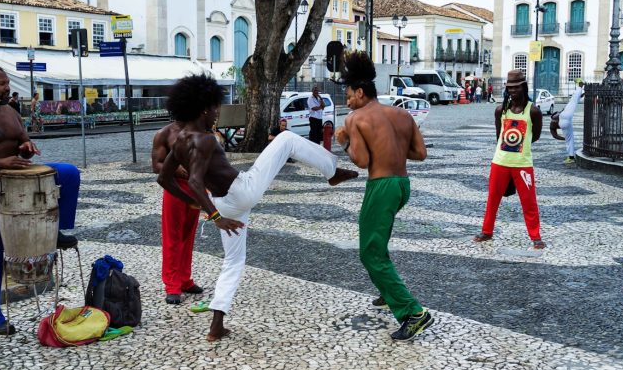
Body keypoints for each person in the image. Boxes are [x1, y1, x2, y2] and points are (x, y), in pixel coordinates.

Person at [157, 74, 358, 342]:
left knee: (233, 261)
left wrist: (196, 203)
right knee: (286, 139)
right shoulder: (204, 140)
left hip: (225, 203)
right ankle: (331, 170)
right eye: (216, 108)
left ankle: (217, 324)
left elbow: (163, 178)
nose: (217, 113)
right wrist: (214, 217)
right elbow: (193, 180)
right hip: (241, 191)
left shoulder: (181, 139)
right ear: (204, 107)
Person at [0, 66, 81, 335]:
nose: (7, 87)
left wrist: (26, 148)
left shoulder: (11, 111)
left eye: (7, 82)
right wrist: (1, 161)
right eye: (1, 83)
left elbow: (24, 146)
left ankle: (59, 230)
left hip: (19, 178)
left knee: (68, 173)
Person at [334, 52, 433, 342]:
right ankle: (386, 291)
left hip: (381, 186)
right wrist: (391, 148)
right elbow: (420, 154)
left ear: (360, 92)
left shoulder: (356, 118)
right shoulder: (402, 114)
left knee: (369, 252)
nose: (347, 100)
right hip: (403, 185)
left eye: (349, 94)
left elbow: (362, 161)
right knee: (379, 242)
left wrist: (344, 142)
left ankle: (412, 313)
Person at [474, 69, 545, 249]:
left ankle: (535, 236)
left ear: (523, 87)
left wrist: (521, 147)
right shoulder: (501, 110)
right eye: (510, 88)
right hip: (500, 162)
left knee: (529, 201)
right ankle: (487, 231)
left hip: (522, 164)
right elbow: (499, 136)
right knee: (493, 198)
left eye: (516, 87)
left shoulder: (533, 111)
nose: (513, 91)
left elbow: (534, 136)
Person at [151, 117, 203, 305]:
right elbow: (156, 165)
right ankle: (172, 285)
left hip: (196, 187)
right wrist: (176, 169)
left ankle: (185, 279)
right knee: (172, 236)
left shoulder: (199, 128)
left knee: (188, 236)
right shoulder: (164, 134)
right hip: (174, 188)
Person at [550, 81, 585, 164]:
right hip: (564, 119)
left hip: (565, 124)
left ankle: (571, 157)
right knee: (572, 101)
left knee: (570, 140)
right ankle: (580, 86)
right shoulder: (559, 116)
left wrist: (564, 138)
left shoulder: (553, 124)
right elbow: (554, 135)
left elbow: (554, 135)